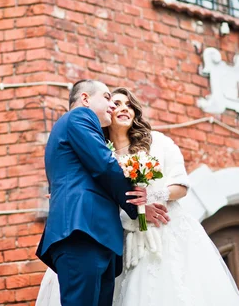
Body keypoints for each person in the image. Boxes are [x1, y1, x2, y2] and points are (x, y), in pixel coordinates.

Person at [36, 87, 239, 306]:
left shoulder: (158, 142)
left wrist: (153, 195)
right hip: (112, 237)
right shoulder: (99, 148)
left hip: (159, 234)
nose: (122, 108)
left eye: (128, 105)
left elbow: (181, 185)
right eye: (115, 103)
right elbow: (92, 179)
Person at [35, 80, 168, 306]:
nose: (113, 106)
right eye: (107, 98)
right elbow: (104, 165)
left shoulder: (82, 130)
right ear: (85, 99)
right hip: (82, 232)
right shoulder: (80, 117)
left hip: (97, 236)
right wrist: (138, 205)